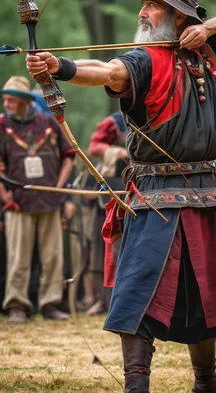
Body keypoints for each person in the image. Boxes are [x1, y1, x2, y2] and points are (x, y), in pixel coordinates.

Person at [26, 0, 216, 393]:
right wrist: (61, 66)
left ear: (179, 15)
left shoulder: (213, 50)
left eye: (153, 5)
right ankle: (137, 386)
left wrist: (208, 28)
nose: (142, 11)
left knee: (207, 294)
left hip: (209, 191)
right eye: (145, 3)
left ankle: (206, 381)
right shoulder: (144, 59)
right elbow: (107, 71)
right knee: (139, 291)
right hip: (156, 197)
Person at [0, 76, 75, 324]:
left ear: (23, 101)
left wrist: (59, 188)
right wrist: (5, 195)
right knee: (18, 257)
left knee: (53, 256)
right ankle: (17, 305)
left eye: (10, 99)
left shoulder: (48, 121)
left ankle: (50, 303)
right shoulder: (2, 125)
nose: (6, 103)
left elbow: (68, 155)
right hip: (18, 200)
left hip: (49, 199)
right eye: (6, 99)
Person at [83, 111, 128, 315]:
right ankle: (104, 300)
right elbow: (94, 147)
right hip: (111, 193)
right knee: (104, 249)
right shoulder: (115, 121)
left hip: (140, 192)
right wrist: (117, 153)